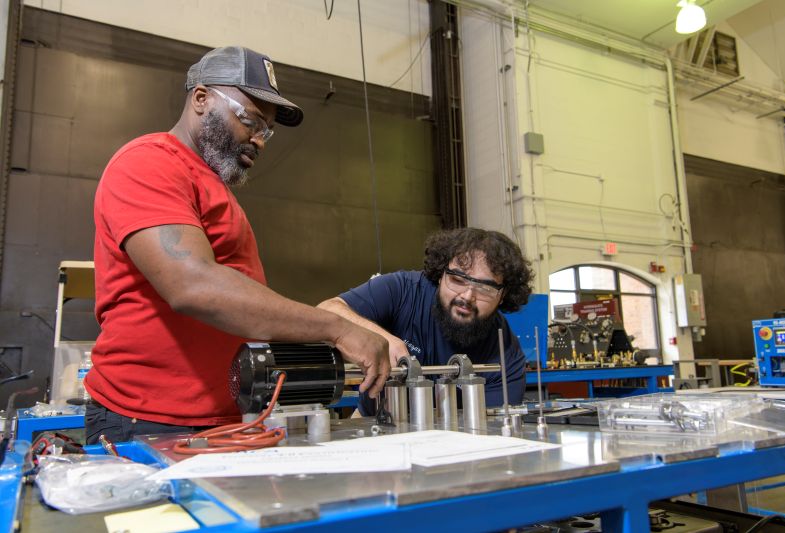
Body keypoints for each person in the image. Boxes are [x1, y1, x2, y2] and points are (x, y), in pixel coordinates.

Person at [85, 46, 390, 443]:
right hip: (149, 421)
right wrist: (337, 329)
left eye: (267, 131)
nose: (259, 141)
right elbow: (192, 286)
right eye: (249, 120)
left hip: (221, 420)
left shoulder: (210, 185)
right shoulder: (149, 163)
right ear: (201, 98)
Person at [318, 227, 533, 415]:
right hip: (375, 423)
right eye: (457, 280)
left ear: (503, 295)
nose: (467, 297)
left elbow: (492, 433)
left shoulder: (506, 356)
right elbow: (326, 310)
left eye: (485, 288)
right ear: (440, 275)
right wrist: (378, 338)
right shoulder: (403, 291)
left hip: (457, 438)